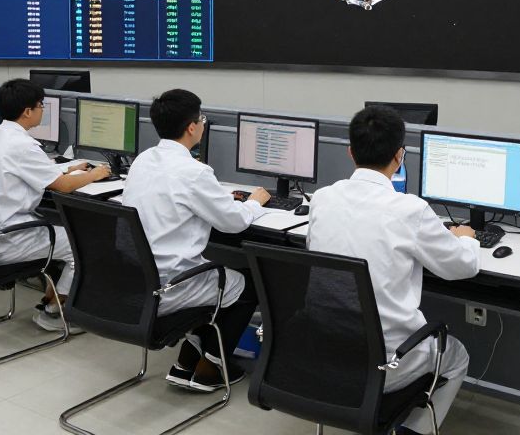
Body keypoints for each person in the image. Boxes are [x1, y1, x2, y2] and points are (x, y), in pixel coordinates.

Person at [306, 105, 479, 435]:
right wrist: (467, 239)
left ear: (350, 153)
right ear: (400, 156)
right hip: (387, 362)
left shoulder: (323, 199)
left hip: (325, 351)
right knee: (456, 355)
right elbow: (463, 268)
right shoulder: (409, 210)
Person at [121, 89, 271, 393]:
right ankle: (211, 368)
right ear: (192, 127)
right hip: (169, 285)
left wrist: (217, 199)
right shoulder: (194, 172)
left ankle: (186, 361)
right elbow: (234, 222)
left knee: (217, 277)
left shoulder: (143, 160)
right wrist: (254, 202)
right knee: (250, 284)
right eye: (201, 119)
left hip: (137, 280)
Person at [0, 78, 110, 331]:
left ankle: (51, 298)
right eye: (41, 105)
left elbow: (31, 170)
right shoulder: (23, 145)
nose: (42, 110)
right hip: (9, 239)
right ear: (27, 112)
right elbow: (63, 186)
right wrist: (95, 174)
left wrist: (69, 167)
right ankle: (55, 313)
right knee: (86, 243)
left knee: (66, 233)